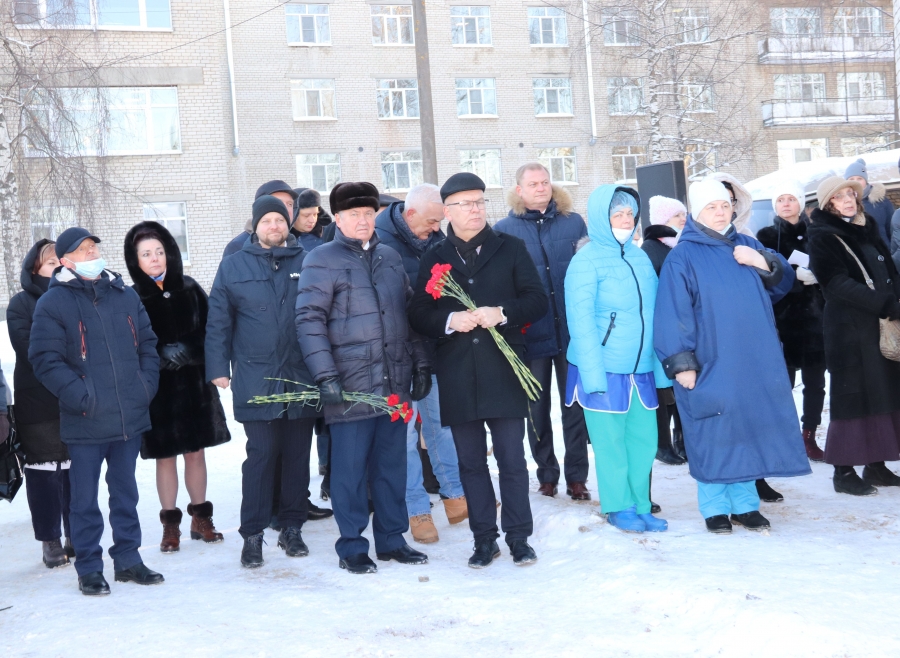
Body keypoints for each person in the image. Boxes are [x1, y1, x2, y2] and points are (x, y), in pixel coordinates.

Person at [654, 178, 811, 534]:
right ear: (696, 211)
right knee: (714, 429)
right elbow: (672, 314)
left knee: (748, 427)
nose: (721, 211)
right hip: (711, 358)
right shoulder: (683, 255)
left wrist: (764, 261)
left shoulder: (747, 243)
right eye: (712, 206)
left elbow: (782, 285)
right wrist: (682, 364)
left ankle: (745, 505)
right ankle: (714, 508)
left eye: (725, 204)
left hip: (754, 356)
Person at [408, 172, 548, 569]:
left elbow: (537, 301)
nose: (475, 210)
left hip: (503, 369)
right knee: (469, 462)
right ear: (447, 211)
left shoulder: (511, 247)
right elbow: (419, 312)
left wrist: (501, 313)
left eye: (480, 202)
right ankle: (484, 538)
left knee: (511, 459)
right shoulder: (435, 256)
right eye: (466, 204)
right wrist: (451, 319)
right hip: (457, 373)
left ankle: (519, 537)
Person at [296, 181, 430, 574]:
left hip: (393, 381)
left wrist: (420, 363)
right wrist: (325, 376)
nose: (363, 220)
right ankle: (352, 544)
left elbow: (409, 314)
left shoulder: (389, 256)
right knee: (351, 470)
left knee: (392, 466)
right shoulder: (322, 259)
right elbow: (309, 320)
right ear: (337, 218)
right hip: (350, 382)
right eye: (354, 214)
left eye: (368, 213)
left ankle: (391, 539)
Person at [30, 228, 163, 595]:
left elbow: (148, 345)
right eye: (85, 250)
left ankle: (129, 560)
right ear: (66, 261)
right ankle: (89, 567)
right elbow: (45, 360)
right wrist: (83, 397)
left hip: (128, 416)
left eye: (94, 248)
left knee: (125, 494)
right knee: (84, 501)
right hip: (85, 419)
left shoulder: (124, 294)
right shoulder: (53, 303)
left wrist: (144, 387)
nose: (93, 254)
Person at [206, 196, 322, 568]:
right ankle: (252, 535)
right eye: (267, 220)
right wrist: (217, 367)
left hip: (301, 374)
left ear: (288, 224)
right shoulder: (234, 265)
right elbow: (218, 321)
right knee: (261, 455)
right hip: (256, 377)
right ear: (255, 225)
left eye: (279, 220)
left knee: (297, 456)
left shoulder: (308, 261)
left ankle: (292, 528)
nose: (274, 226)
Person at [564, 186, 671, 533]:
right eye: (617, 215)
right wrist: (592, 376)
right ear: (600, 218)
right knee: (610, 444)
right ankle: (617, 505)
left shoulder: (639, 257)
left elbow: (652, 314)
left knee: (643, 442)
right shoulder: (586, 261)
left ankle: (640, 503)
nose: (625, 221)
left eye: (630, 215)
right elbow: (580, 325)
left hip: (640, 367)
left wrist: (658, 368)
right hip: (604, 369)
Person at [124, 221, 231, 553]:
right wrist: (158, 355)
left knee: (196, 453)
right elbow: (125, 343)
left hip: (194, 385)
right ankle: (170, 526)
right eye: (146, 254)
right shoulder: (130, 297)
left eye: (159, 251)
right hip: (158, 392)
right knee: (166, 456)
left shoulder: (189, 287)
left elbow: (213, 330)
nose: (155, 259)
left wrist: (191, 350)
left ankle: (201, 519)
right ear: (135, 260)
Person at [375, 183, 467, 544]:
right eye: (431, 221)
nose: (435, 228)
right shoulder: (381, 246)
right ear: (409, 214)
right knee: (403, 434)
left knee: (440, 425)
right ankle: (417, 509)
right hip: (394, 357)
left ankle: (456, 496)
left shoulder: (436, 240)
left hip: (434, 348)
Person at [493, 163, 591, 501]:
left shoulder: (573, 222)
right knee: (535, 409)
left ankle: (577, 477)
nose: (541, 188)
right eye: (533, 183)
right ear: (519, 190)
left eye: (545, 182)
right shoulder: (504, 230)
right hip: (530, 334)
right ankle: (547, 474)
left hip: (570, 333)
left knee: (574, 406)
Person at [807, 176, 900, 495]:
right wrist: (886, 304)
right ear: (827, 204)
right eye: (839, 197)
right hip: (849, 330)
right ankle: (843, 472)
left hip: (878, 327)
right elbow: (834, 283)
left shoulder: (866, 227)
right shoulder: (822, 235)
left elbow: (889, 272)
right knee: (852, 398)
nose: (847, 199)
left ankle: (876, 464)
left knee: (882, 392)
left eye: (851, 194)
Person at [7, 240, 72, 568]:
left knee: (78, 470)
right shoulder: (20, 304)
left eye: (60, 263)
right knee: (45, 473)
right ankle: (50, 539)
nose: (57, 269)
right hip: (38, 400)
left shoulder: (76, 297)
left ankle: (77, 533)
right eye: (50, 264)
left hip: (76, 398)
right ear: (35, 268)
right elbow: (30, 348)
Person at [756, 180, 826, 465]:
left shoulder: (818, 232)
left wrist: (818, 275)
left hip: (816, 320)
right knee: (782, 383)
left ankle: (809, 435)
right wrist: (792, 279)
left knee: (815, 382)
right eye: (781, 199)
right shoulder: (766, 236)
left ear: (801, 202)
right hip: (782, 320)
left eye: (791, 199)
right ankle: (781, 438)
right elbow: (763, 274)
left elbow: (832, 265)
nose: (786, 204)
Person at [642, 196, 688, 466]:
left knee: (682, 384)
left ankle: (683, 439)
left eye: (683, 214)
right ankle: (662, 443)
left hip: (683, 326)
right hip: (663, 327)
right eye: (675, 216)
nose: (682, 219)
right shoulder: (650, 249)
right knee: (662, 388)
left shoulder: (680, 245)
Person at [222, 180, 298, 258]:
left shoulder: (298, 246)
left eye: (290, 204)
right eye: (278, 203)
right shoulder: (237, 248)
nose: (286, 209)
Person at [845, 159, 894, 247]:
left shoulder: (882, 202)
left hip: (884, 254)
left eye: (859, 178)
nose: (856, 182)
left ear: (866, 180)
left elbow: (893, 231)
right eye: (851, 179)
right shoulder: (843, 205)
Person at [292, 188, 333, 252]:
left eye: (315, 214)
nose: (312, 220)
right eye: (306, 215)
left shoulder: (330, 235)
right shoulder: (283, 241)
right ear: (293, 215)